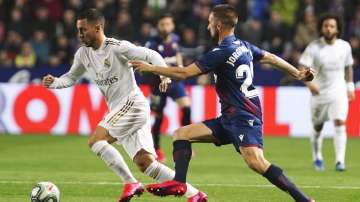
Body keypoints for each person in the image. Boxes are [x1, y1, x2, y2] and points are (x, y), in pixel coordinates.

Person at [131, 4, 315, 202]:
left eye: (210, 23)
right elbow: (270, 57)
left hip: (244, 117)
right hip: (229, 118)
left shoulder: (221, 52)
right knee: (181, 134)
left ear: (218, 26)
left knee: (256, 162)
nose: (207, 27)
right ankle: (179, 182)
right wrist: (296, 73)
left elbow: (183, 73)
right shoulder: (244, 45)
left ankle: (304, 200)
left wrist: (152, 68)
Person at [42, 8, 207, 202]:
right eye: (78, 30)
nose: (79, 35)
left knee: (96, 141)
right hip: (122, 109)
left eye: (83, 30)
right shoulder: (82, 54)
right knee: (146, 163)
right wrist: (55, 82)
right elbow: (71, 77)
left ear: (97, 28)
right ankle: (194, 194)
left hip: (132, 103)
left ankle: (130, 182)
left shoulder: (117, 47)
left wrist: (163, 75)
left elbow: (151, 55)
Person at [298, 13, 355, 172]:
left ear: (337, 29)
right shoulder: (314, 47)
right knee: (318, 127)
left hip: (339, 91)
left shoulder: (345, 46)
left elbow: (348, 67)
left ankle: (339, 161)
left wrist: (350, 87)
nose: (328, 29)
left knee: (339, 122)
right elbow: (302, 67)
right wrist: (310, 86)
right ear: (321, 28)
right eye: (326, 26)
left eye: (331, 26)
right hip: (319, 93)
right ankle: (317, 157)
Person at [145, 13, 192, 163]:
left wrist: (180, 67)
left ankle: (185, 143)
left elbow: (177, 54)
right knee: (158, 117)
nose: (165, 27)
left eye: (168, 24)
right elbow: (148, 64)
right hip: (159, 85)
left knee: (186, 108)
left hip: (175, 82)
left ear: (172, 26)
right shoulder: (152, 44)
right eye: (162, 24)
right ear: (158, 27)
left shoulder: (176, 39)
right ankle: (156, 148)